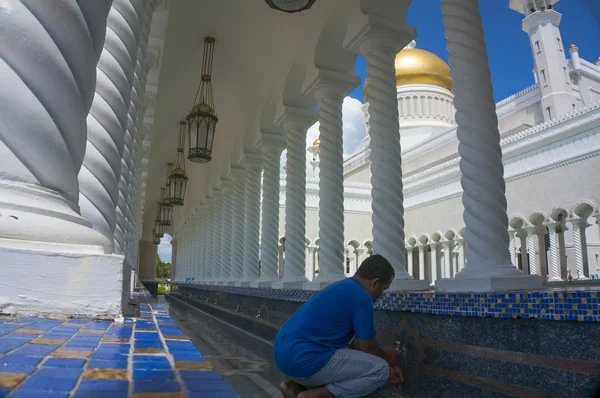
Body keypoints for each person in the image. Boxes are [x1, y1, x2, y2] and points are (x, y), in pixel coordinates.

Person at [274, 254, 403, 398]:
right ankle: (314, 396)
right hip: (305, 359)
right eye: (383, 289)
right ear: (375, 283)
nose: (381, 295)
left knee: (341, 363)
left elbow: (355, 345)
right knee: (380, 369)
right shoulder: (362, 296)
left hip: (282, 354)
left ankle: (293, 387)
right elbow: (366, 345)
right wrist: (386, 357)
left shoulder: (343, 287)